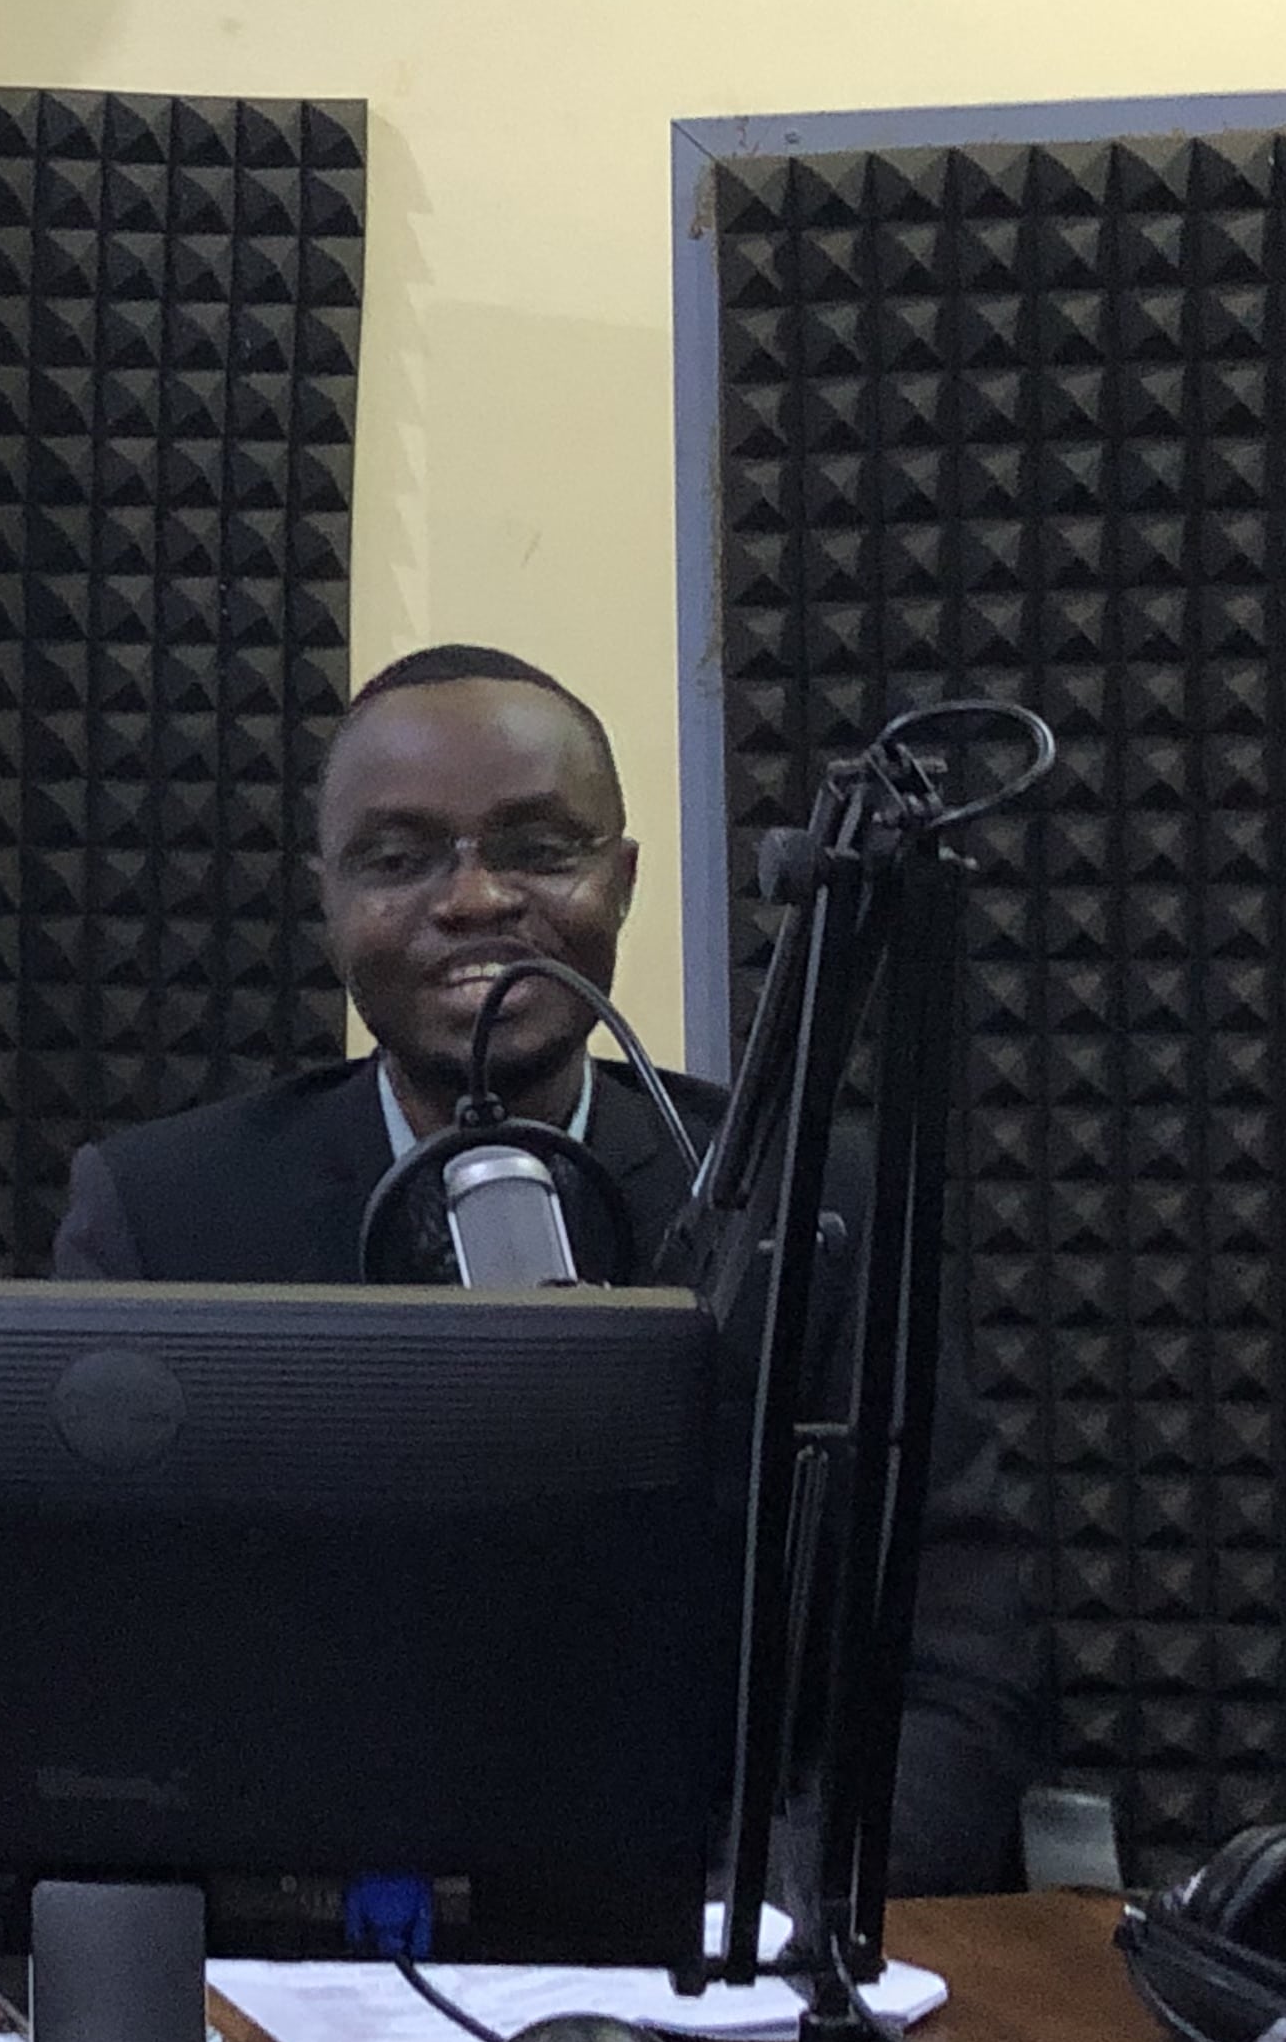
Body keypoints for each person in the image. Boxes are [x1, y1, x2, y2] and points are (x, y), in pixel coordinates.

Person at [54, 643, 1049, 1896]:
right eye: (400, 858)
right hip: (314, 1975)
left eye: (535, 847)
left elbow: (957, 1666)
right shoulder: (166, 1219)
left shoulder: (814, 1198)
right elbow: (100, 1686)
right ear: (327, 899)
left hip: (720, 1958)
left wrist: (740, 1910)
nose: (474, 901)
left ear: (621, 879)